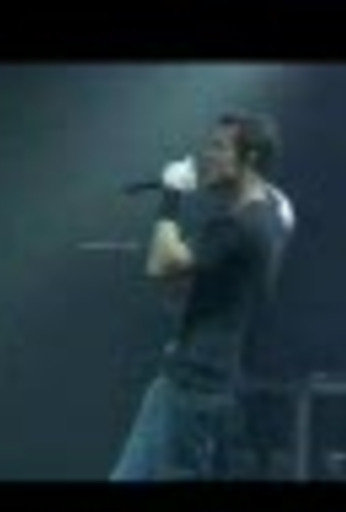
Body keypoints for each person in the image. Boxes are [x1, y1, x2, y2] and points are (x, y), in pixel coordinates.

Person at [110, 112, 295, 480]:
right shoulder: (274, 212)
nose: (206, 156)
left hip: (192, 381)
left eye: (219, 147)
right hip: (215, 378)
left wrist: (171, 195)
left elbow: (160, 263)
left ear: (250, 157)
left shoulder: (239, 225)